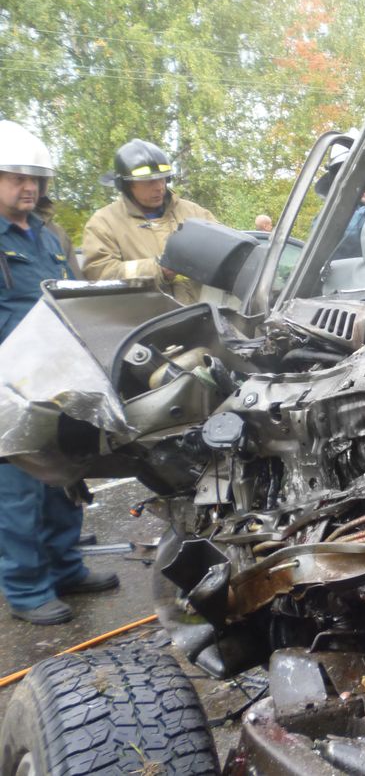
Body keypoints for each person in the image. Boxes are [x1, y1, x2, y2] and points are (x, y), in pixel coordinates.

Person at [0, 120, 118, 625]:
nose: (29, 187)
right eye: (16, 178)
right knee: (19, 490)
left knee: (63, 478)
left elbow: (70, 293)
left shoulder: (50, 236)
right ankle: (27, 589)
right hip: (9, 385)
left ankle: (66, 567)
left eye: (36, 179)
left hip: (55, 375)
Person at [81, 139, 217, 302]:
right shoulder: (103, 223)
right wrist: (158, 269)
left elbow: (224, 249)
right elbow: (100, 274)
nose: (159, 187)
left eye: (163, 179)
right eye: (149, 181)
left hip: (197, 319)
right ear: (125, 184)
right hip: (143, 325)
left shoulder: (194, 213)